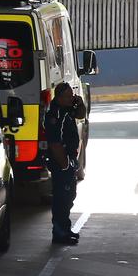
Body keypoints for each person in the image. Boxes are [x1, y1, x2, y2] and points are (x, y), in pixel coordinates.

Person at [43, 82, 85, 245]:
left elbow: (80, 114)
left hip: (68, 160)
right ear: (59, 97)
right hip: (61, 162)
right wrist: (65, 164)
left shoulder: (66, 109)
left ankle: (65, 230)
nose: (70, 99)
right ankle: (60, 234)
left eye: (71, 96)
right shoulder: (56, 114)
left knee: (69, 196)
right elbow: (55, 143)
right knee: (62, 198)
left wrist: (79, 102)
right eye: (67, 96)